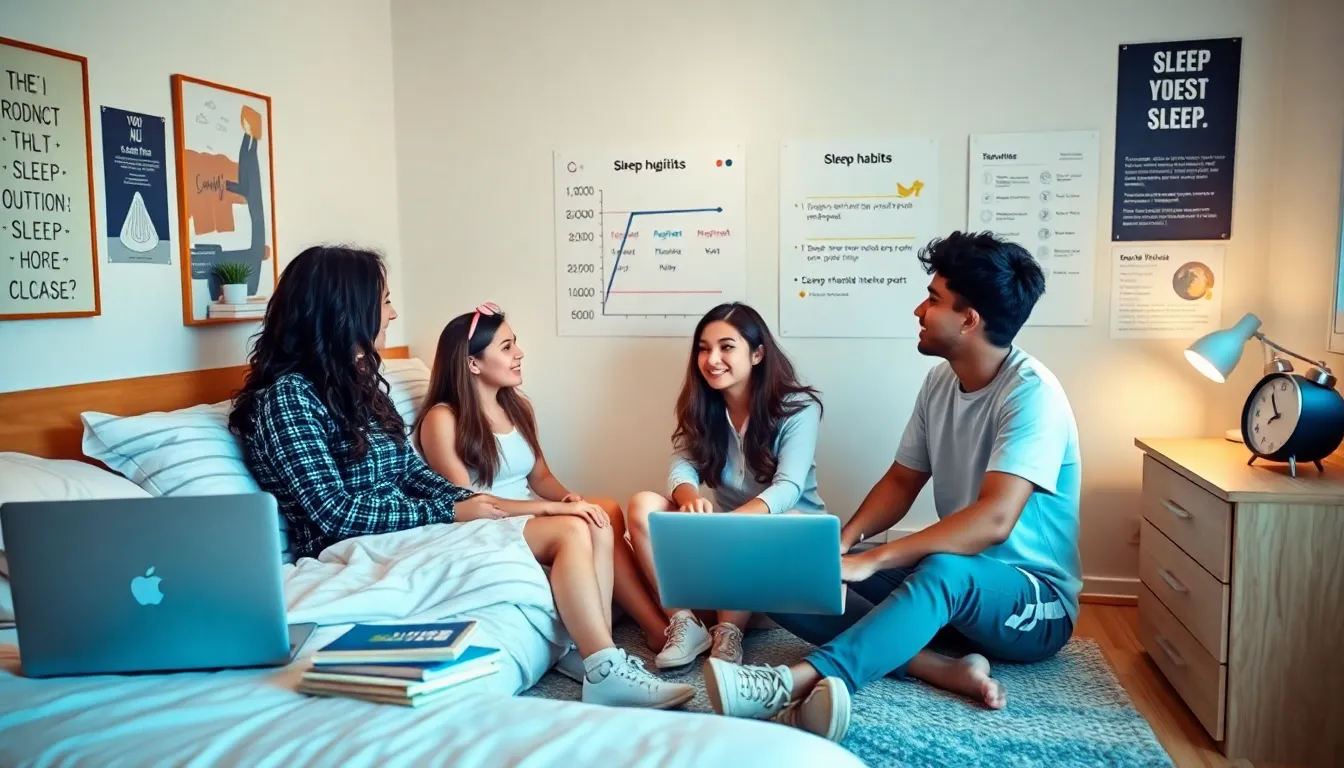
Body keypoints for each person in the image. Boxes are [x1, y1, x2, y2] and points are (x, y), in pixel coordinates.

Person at [230, 247, 693, 710]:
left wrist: (491, 504)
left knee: (585, 520)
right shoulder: (289, 399)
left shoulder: (356, 385)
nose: (392, 313)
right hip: (353, 545)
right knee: (573, 528)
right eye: (385, 300)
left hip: (405, 529)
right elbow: (333, 513)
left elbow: (411, 473)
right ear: (346, 310)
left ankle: (593, 653)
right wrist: (449, 510)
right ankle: (605, 667)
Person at [702, 231, 1082, 744]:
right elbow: (903, 479)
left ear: (968, 320)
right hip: (950, 598)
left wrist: (877, 559)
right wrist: (843, 542)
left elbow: (995, 521)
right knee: (785, 568)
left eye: (933, 299)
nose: (918, 310)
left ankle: (791, 682)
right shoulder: (941, 382)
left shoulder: (1032, 394)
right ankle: (939, 667)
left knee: (946, 570)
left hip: (1034, 603)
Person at [413, 301, 693, 708]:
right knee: (573, 527)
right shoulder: (444, 418)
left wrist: (565, 498)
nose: (519, 353)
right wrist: (553, 511)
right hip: (486, 522)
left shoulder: (516, 406)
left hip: (524, 513)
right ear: (473, 363)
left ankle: (641, 633)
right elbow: (467, 501)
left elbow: (539, 476)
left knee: (604, 513)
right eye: (507, 347)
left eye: (515, 344)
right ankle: (602, 665)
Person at [625, 302, 826, 670]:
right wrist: (689, 499)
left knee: (759, 524)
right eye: (703, 348)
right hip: (728, 547)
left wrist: (730, 524)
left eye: (726, 346)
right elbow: (682, 464)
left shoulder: (798, 407)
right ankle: (684, 622)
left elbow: (789, 487)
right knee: (642, 504)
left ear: (757, 353)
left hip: (785, 545)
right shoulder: (705, 405)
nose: (712, 359)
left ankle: (729, 630)